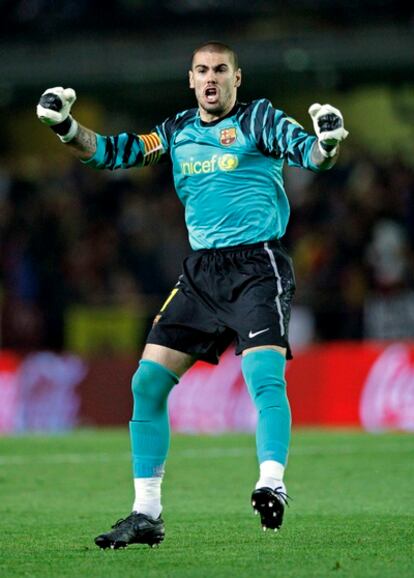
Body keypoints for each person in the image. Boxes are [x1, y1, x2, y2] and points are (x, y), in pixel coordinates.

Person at [36, 41, 348, 549]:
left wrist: (328, 143)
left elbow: (308, 154)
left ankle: (271, 482)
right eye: (202, 70)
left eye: (221, 70)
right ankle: (146, 514)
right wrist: (64, 127)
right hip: (201, 274)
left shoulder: (259, 120)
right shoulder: (176, 130)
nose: (211, 78)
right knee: (146, 384)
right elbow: (115, 153)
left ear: (237, 79)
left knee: (263, 377)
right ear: (190, 79)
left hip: (257, 266)